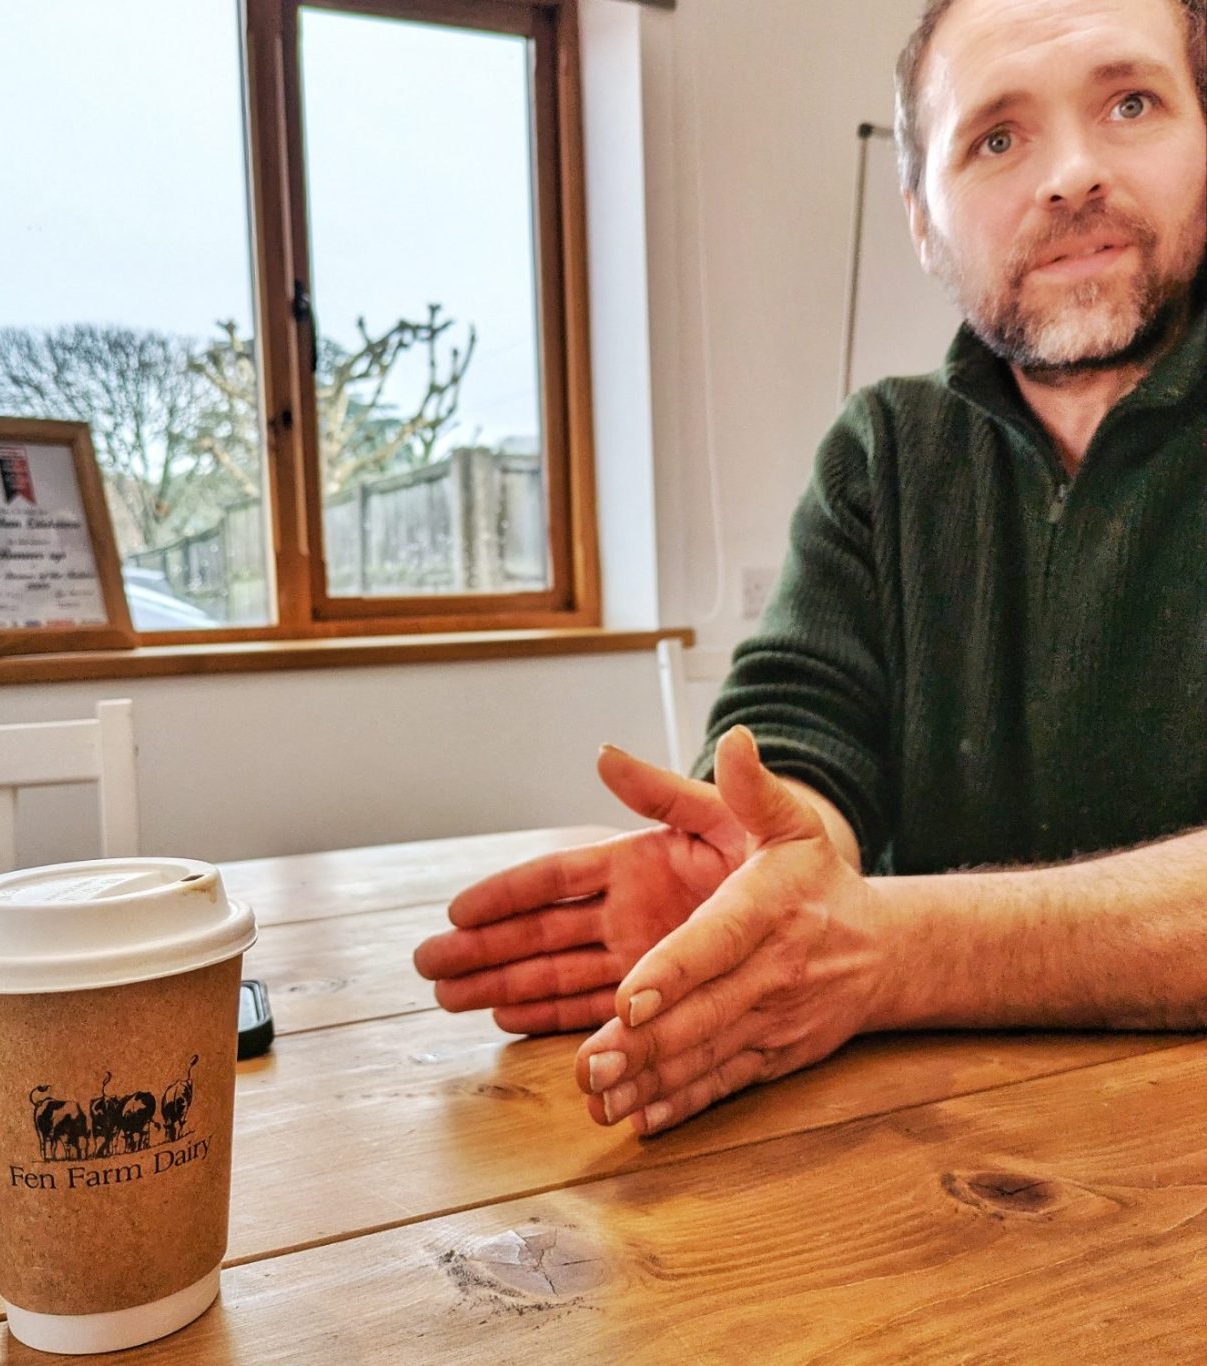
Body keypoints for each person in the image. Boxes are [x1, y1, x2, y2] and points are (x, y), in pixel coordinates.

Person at [415, 0, 1207, 1137]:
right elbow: (796, 721)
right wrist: (770, 858)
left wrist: (887, 953)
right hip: (925, 1175)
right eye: (995, 137)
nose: (1071, 174)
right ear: (921, 218)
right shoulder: (882, 453)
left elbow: (874, 953)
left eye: (1129, 102)